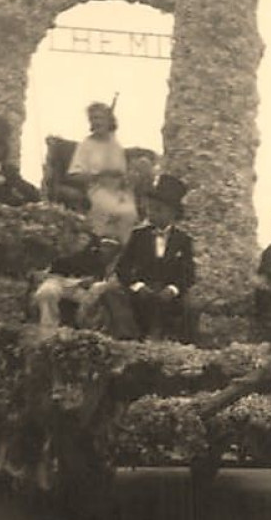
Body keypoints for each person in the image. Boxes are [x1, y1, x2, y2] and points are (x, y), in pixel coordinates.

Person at [116, 175, 196, 342]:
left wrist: (173, 289)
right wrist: (138, 285)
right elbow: (122, 266)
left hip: (168, 291)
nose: (152, 214)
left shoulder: (183, 240)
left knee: (192, 305)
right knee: (113, 294)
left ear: (172, 213)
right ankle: (129, 337)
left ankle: (180, 342)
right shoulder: (138, 235)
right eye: (151, 209)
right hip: (144, 287)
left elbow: (188, 272)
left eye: (158, 210)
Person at [67, 102, 137, 244]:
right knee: (110, 211)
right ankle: (100, 247)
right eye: (93, 119)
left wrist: (126, 180)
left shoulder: (115, 144)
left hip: (119, 191)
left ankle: (123, 253)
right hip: (98, 189)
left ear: (108, 120)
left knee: (130, 213)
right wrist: (99, 175)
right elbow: (74, 174)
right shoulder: (86, 145)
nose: (96, 122)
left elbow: (122, 172)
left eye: (100, 118)